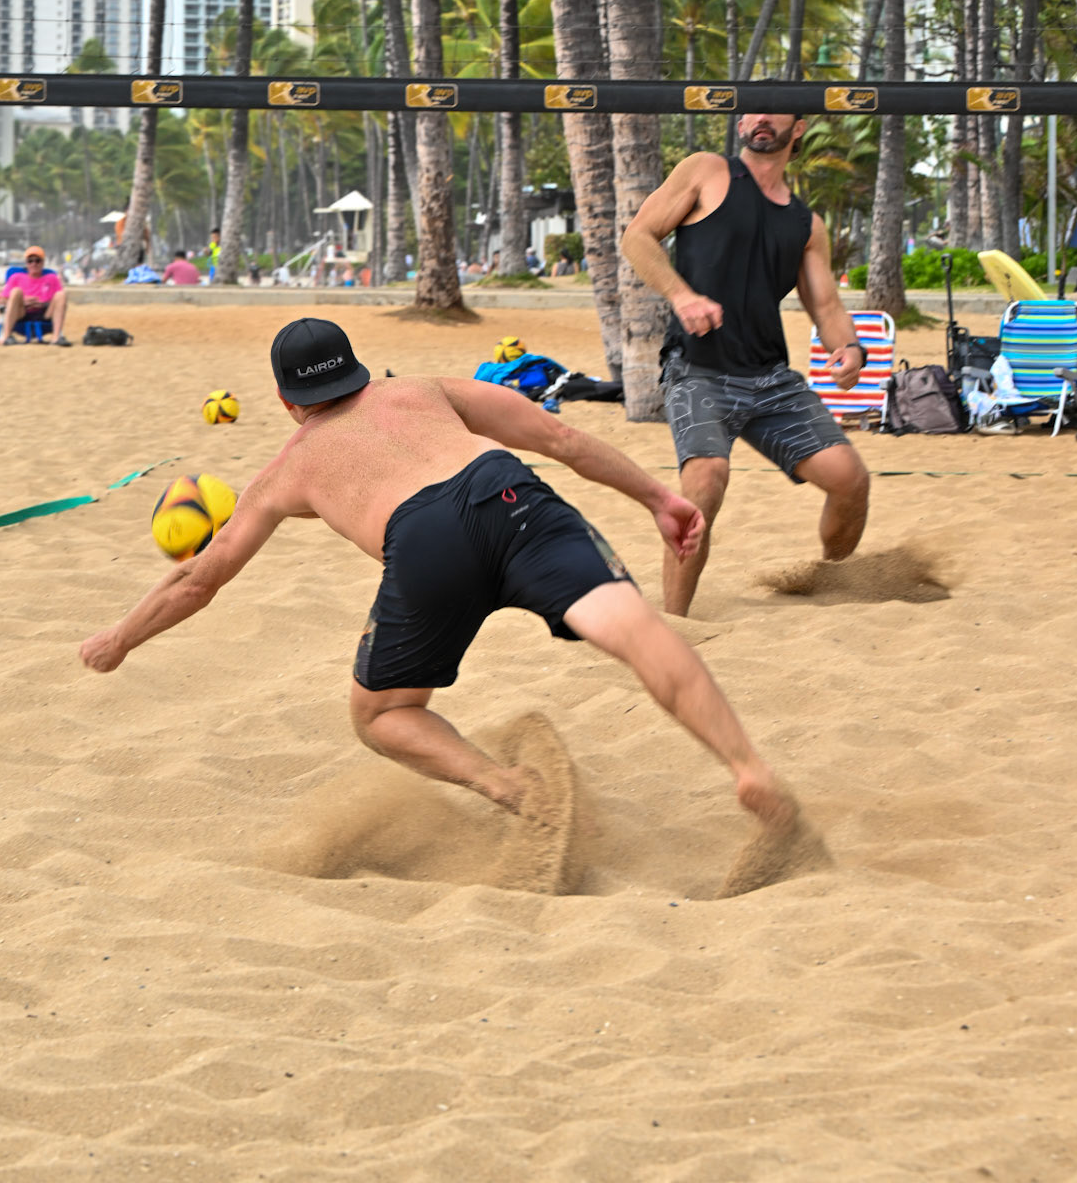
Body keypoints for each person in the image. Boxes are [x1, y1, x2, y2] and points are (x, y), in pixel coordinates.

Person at [80, 318, 796, 837]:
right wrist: (658, 498)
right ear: (357, 370)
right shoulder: (419, 391)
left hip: (425, 543)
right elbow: (561, 438)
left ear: (285, 402)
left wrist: (119, 639)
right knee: (635, 632)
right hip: (509, 494)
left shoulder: (285, 471)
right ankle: (745, 766)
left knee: (383, 714)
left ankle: (508, 788)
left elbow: (198, 581)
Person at [621, 110, 871, 617]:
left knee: (850, 480)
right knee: (706, 479)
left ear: (797, 128)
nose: (760, 118)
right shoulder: (706, 172)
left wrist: (849, 350)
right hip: (697, 369)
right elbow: (637, 237)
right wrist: (682, 295)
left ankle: (831, 583)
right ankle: (675, 623)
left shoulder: (806, 223)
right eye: (750, 111)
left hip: (770, 379)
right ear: (739, 126)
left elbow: (825, 307)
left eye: (774, 111)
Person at [0, 246, 70, 345]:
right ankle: (6, 336)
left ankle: (56, 337)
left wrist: (43, 304)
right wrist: (22, 301)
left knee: (61, 294)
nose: (34, 264)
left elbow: (60, 301)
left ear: (43, 262)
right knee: (16, 292)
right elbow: (1, 301)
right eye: (30, 261)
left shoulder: (52, 278)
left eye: (37, 260)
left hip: (45, 313)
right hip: (21, 313)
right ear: (26, 263)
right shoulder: (16, 277)